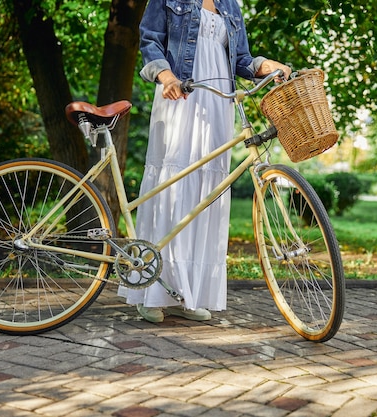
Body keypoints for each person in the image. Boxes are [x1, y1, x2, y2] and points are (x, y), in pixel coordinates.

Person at [118, 0, 291, 322]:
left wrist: (267, 65)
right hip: (180, 95)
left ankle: (189, 293)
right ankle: (152, 292)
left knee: (207, 193)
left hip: (218, 105)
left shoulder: (229, 5)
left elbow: (240, 59)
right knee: (173, 186)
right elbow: (150, 41)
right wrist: (167, 77)